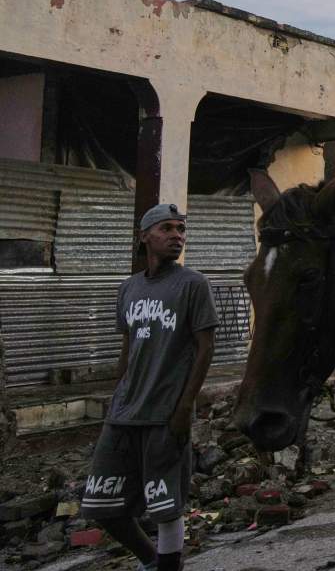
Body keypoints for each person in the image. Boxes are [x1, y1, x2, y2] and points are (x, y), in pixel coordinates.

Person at [79, 203, 218, 571]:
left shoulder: (193, 284)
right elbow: (129, 347)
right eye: (167, 229)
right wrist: (116, 396)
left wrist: (185, 407)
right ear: (145, 237)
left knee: (165, 505)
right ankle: (152, 560)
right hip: (125, 412)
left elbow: (205, 349)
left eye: (181, 229)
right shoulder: (129, 288)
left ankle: (170, 565)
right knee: (100, 505)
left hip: (165, 412)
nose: (177, 236)